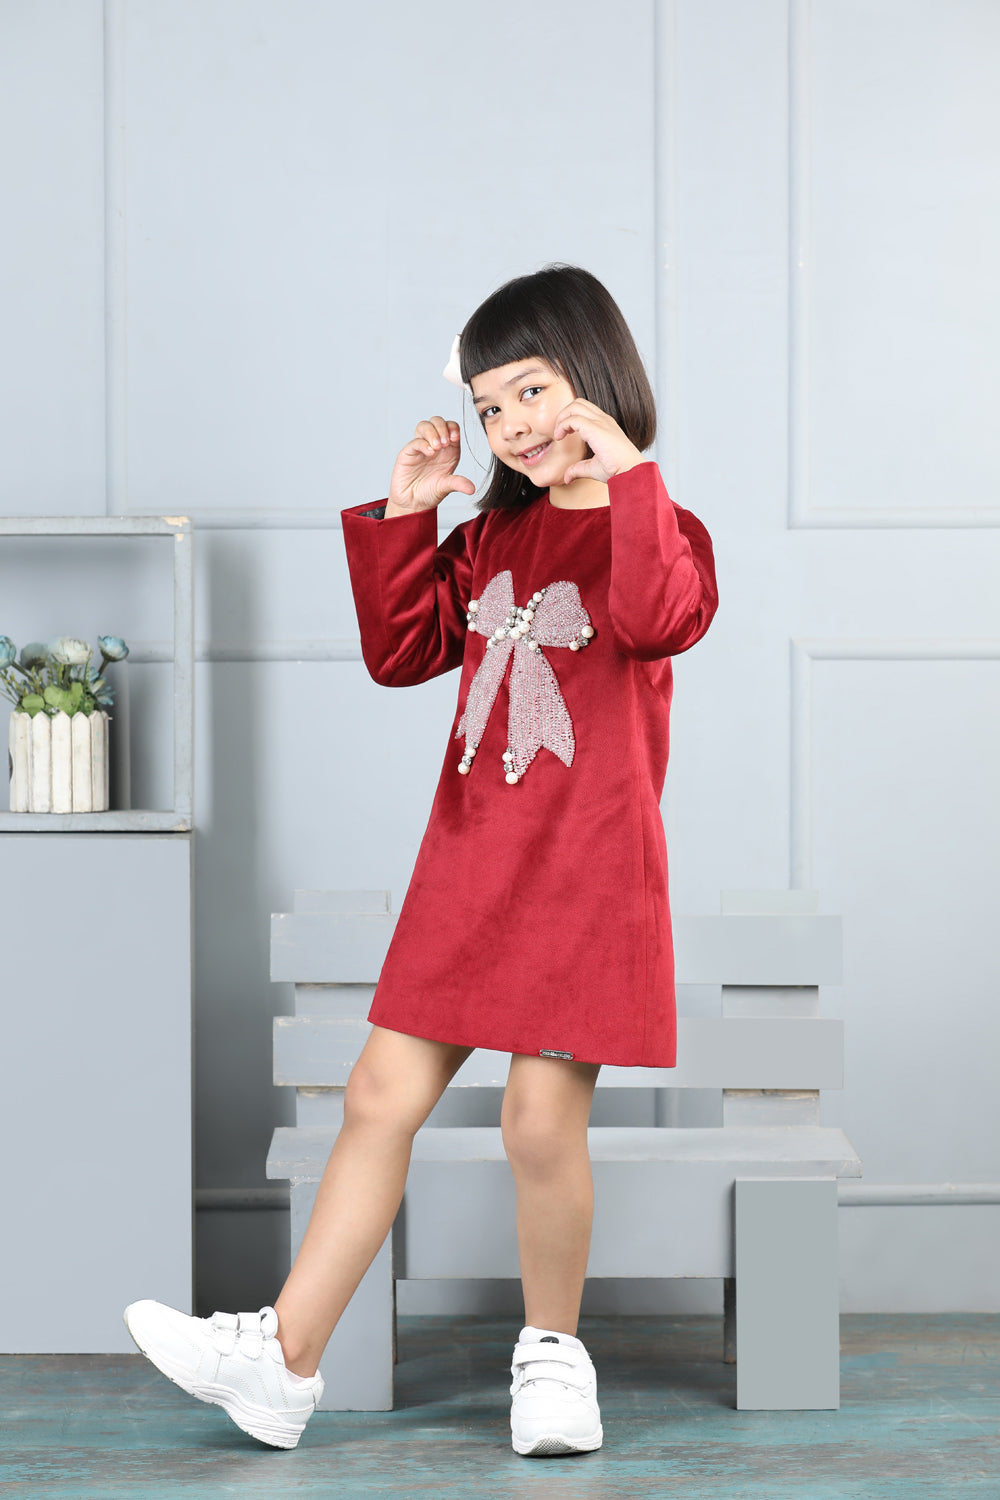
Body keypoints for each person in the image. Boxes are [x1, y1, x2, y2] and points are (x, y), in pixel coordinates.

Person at [124, 264, 719, 1456]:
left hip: (586, 873)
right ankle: (283, 1361)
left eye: (533, 391)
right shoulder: (492, 534)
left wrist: (630, 475)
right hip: (469, 868)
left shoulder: (660, 527)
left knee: (538, 1125)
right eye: (490, 407)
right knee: (374, 1098)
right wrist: (408, 518)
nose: (513, 426)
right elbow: (402, 652)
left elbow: (659, 619)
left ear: (595, 378)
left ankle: (553, 1360)